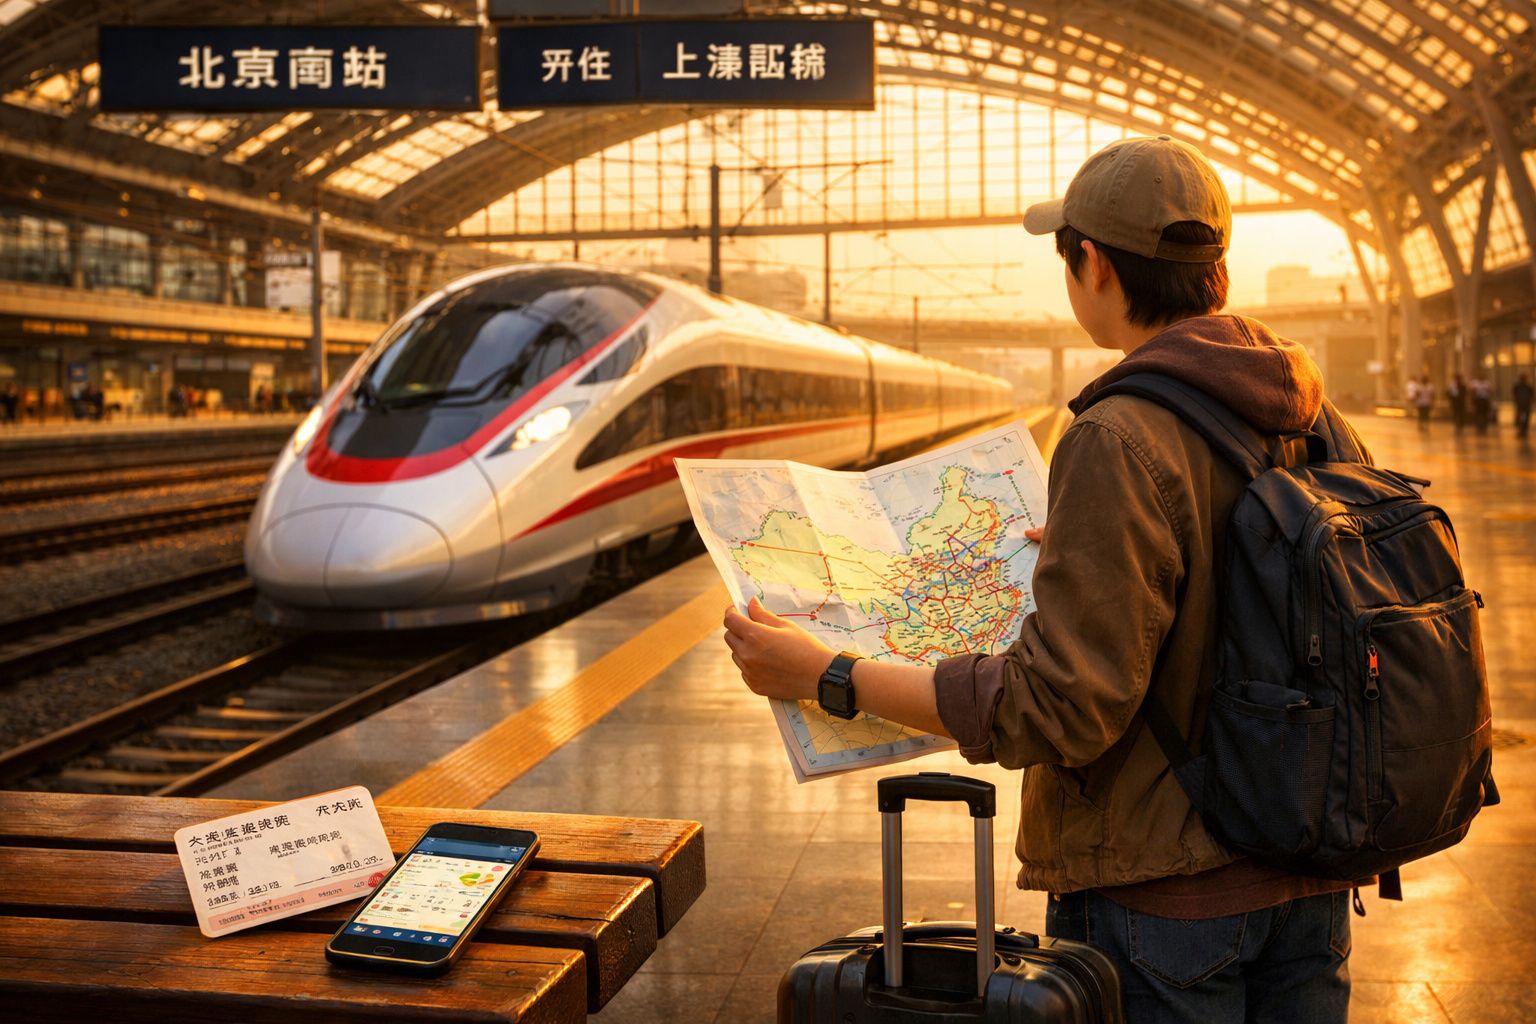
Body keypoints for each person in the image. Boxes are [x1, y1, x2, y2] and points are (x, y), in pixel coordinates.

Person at [724, 136, 1366, 1022]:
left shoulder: (1120, 432)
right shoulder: (1310, 410)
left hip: (1166, 902)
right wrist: (1094, 545)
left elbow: (1063, 708)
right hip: (1310, 876)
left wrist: (831, 677)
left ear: (1092, 263)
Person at [1515, 373, 1533, 440]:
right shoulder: (1519, 387)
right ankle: (1522, 430)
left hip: (1524, 406)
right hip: (1523, 406)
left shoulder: (1527, 387)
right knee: (1522, 418)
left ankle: (1523, 431)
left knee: (1524, 418)